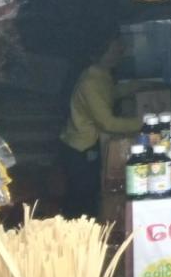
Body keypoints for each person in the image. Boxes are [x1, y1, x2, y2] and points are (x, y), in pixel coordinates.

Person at [59, 36, 139, 218]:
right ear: (100, 53)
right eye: (114, 50)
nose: (119, 54)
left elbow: (111, 93)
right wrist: (147, 122)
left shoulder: (101, 75)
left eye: (119, 50)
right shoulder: (90, 82)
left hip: (87, 146)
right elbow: (108, 123)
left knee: (89, 196)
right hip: (81, 149)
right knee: (82, 200)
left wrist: (141, 86)